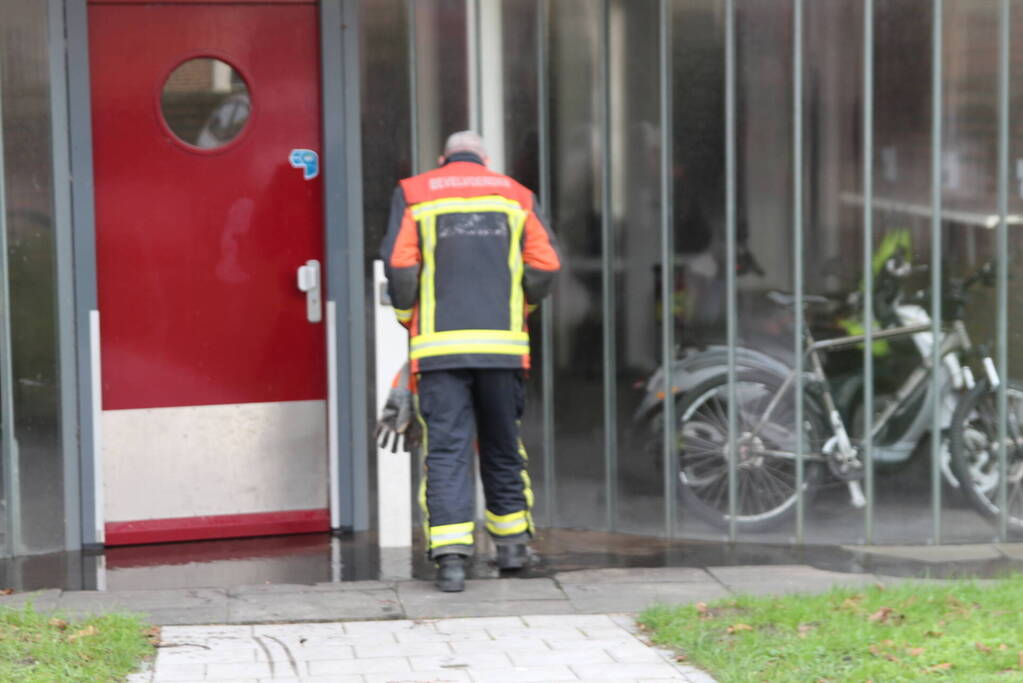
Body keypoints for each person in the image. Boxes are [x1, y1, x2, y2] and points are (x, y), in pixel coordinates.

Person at [380, 131, 561, 592]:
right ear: (485, 158)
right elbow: (545, 266)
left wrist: (409, 320)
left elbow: (401, 266)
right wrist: (520, 311)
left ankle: (452, 561)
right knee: (503, 443)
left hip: (439, 352)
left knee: (447, 450)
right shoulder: (516, 195)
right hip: (503, 348)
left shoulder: (415, 192)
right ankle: (513, 547)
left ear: (443, 159)